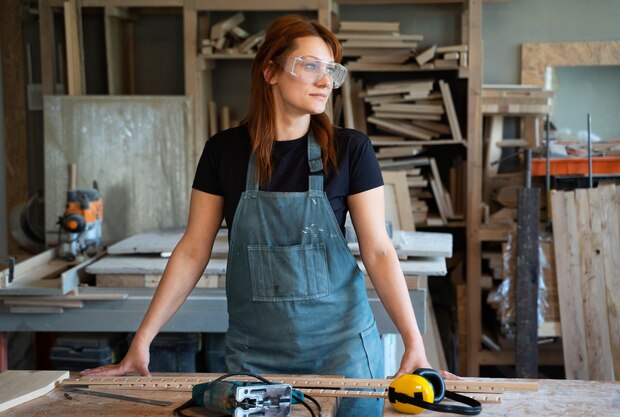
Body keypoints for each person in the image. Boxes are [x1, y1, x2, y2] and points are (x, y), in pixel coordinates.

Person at [81, 14, 435, 416]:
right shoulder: (224, 152)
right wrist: (141, 342)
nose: (324, 81)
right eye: (310, 65)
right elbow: (193, 250)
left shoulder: (351, 150)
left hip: (344, 354)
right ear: (270, 71)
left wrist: (414, 343)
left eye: (331, 70)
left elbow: (379, 252)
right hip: (255, 359)